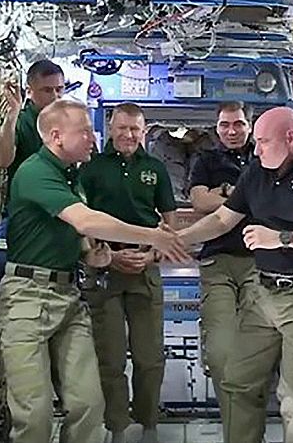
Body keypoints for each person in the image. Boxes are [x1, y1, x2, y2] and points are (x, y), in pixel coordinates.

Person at [0, 99, 187, 443]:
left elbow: (75, 230)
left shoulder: (71, 175)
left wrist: (90, 254)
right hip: (28, 297)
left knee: (88, 404)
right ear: (56, 136)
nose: (92, 138)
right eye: (84, 131)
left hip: (68, 293)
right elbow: (85, 220)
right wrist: (152, 236)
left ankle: (143, 422)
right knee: (35, 414)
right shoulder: (35, 172)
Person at [178, 106, 293, 443]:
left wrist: (282, 238)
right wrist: (177, 238)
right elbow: (222, 220)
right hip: (262, 295)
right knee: (238, 381)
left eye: (263, 141)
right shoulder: (257, 173)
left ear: (291, 139)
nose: (256, 150)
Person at [79, 103, 176, 443]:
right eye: (122, 128)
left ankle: (149, 424)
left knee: (150, 357)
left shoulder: (155, 168)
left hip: (144, 268)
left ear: (144, 131)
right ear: (111, 127)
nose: (129, 135)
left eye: (135, 129)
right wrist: (105, 256)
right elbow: (81, 220)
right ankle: (117, 427)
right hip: (105, 269)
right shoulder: (91, 168)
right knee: (111, 358)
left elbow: (169, 220)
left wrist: (153, 254)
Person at [188, 101, 256, 401]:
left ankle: (252, 412)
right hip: (218, 261)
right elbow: (200, 201)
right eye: (224, 125)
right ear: (216, 129)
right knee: (220, 349)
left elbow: (270, 197)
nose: (231, 131)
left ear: (249, 126)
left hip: (260, 262)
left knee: (258, 346)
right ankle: (232, 413)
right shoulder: (206, 160)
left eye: (238, 124)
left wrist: (226, 192)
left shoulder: (265, 157)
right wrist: (245, 196)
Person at [0, 59, 66, 293]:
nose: (55, 96)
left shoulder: (68, 124)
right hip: (23, 214)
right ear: (30, 91)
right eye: (47, 90)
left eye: (59, 89)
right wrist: (12, 115)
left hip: (61, 213)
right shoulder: (22, 122)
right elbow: (1, 160)